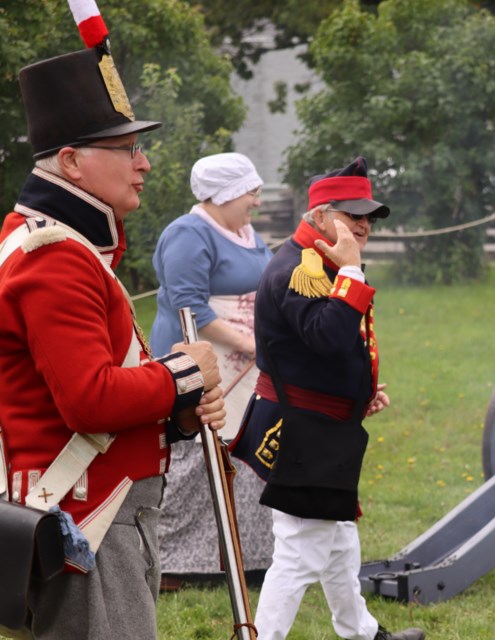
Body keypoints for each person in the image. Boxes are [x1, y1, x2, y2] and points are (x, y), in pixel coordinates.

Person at [0, 45, 225, 639]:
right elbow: (89, 400)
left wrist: (176, 412)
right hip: (85, 518)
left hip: (99, 507)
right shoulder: (55, 258)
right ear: (71, 162)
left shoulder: (65, 248)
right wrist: (186, 372)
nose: (144, 163)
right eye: (127, 149)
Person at [231, 157, 424, 640]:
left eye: (368, 216)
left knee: (338, 543)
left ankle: (361, 632)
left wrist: (356, 397)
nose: (363, 224)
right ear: (319, 216)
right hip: (302, 428)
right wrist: (353, 273)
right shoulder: (303, 269)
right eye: (350, 214)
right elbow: (329, 338)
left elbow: (317, 355)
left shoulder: (316, 260)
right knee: (298, 553)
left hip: (319, 423)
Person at [150, 152, 275, 585]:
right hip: (197, 360)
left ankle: (244, 558)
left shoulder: (244, 231)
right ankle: (173, 564)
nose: (256, 202)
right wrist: (252, 343)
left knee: (241, 452)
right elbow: (189, 305)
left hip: (245, 367)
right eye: (251, 192)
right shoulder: (188, 234)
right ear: (225, 194)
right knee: (194, 457)